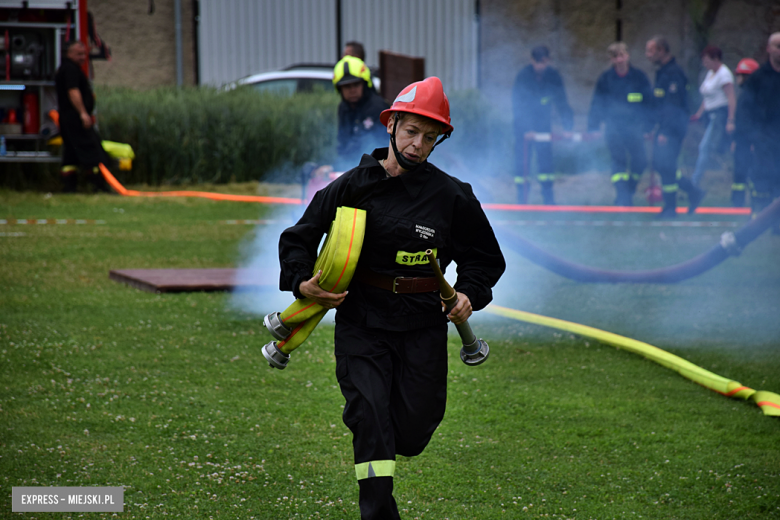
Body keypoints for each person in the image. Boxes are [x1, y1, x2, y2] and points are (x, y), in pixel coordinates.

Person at [277, 76, 506, 519]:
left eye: (429, 136)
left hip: (421, 326)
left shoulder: (453, 197)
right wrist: (302, 282)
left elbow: (485, 260)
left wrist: (468, 296)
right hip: (362, 323)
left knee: (413, 431)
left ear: (439, 140)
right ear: (391, 125)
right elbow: (299, 237)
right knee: (370, 419)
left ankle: (388, 438)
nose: (418, 145)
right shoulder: (353, 186)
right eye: (410, 132)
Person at [588, 42, 654, 206]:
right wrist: (594, 126)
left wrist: (648, 127)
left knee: (640, 161)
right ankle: (622, 196)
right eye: (615, 56)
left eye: (621, 55)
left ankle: (629, 190)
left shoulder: (639, 77)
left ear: (627, 56)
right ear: (611, 59)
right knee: (618, 162)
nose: (619, 60)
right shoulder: (606, 79)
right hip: (613, 128)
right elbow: (597, 103)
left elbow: (650, 103)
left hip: (634, 128)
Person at [644, 36, 704, 217]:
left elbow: (673, 106)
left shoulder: (673, 74)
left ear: (661, 51)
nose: (647, 55)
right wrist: (651, 127)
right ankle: (690, 194)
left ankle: (672, 207)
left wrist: (666, 132)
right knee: (662, 165)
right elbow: (659, 105)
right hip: (665, 127)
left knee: (666, 165)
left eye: (650, 51)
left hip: (672, 129)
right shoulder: (663, 72)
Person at [511, 45, 574, 205]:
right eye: (538, 62)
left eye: (544, 62)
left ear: (548, 61)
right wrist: (526, 129)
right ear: (532, 60)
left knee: (546, 163)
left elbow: (562, 102)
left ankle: (548, 199)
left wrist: (568, 127)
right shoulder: (523, 76)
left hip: (544, 126)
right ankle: (522, 200)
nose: (541, 66)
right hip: (523, 129)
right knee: (522, 164)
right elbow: (517, 105)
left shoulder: (553, 77)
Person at [54, 40, 110, 193]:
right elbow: (73, 92)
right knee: (91, 150)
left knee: (71, 153)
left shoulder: (65, 69)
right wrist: (83, 113)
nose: (82, 57)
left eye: (84, 54)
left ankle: (69, 187)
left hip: (67, 118)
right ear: (69, 54)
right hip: (75, 118)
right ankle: (99, 186)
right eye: (78, 54)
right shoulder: (71, 70)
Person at [739, 32, 780, 231]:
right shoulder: (758, 78)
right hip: (764, 137)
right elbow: (745, 109)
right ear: (769, 49)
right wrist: (752, 136)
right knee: (763, 178)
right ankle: (760, 219)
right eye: (777, 46)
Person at [689, 45, 736, 195]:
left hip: (720, 116)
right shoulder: (711, 73)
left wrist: (730, 120)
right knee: (711, 148)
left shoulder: (724, 75)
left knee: (705, 147)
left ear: (715, 59)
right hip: (709, 115)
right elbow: (707, 97)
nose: (704, 63)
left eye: (706, 60)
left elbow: (731, 98)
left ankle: (694, 184)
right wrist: (698, 114)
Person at [333, 55, 389, 171]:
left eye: (356, 84)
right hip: (351, 167)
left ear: (365, 84)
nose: (352, 90)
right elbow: (342, 142)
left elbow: (365, 145)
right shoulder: (343, 108)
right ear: (339, 89)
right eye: (346, 86)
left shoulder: (377, 108)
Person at [730, 57, 760, 207]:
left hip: (750, 141)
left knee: (753, 171)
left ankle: (755, 200)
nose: (738, 78)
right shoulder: (746, 94)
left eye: (740, 75)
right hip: (742, 140)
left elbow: (755, 122)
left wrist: (755, 142)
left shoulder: (755, 96)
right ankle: (737, 201)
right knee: (739, 170)